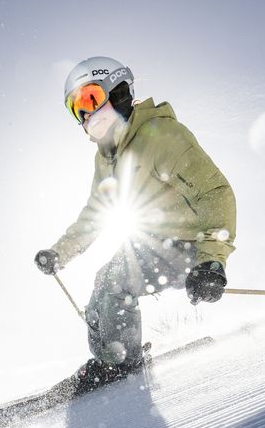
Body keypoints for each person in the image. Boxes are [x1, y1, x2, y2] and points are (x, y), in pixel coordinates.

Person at [34, 56, 236, 392]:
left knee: (116, 280)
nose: (85, 115)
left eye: (90, 100)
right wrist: (59, 253)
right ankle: (110, 359)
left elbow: (214, 192)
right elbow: (95, 214)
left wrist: (211, 261)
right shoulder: (106, 157)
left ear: (120, 92)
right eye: (76, 109)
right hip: (154, 243)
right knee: (104, 281)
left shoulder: (161, 136)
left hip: (191, 246)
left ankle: (120, 364)